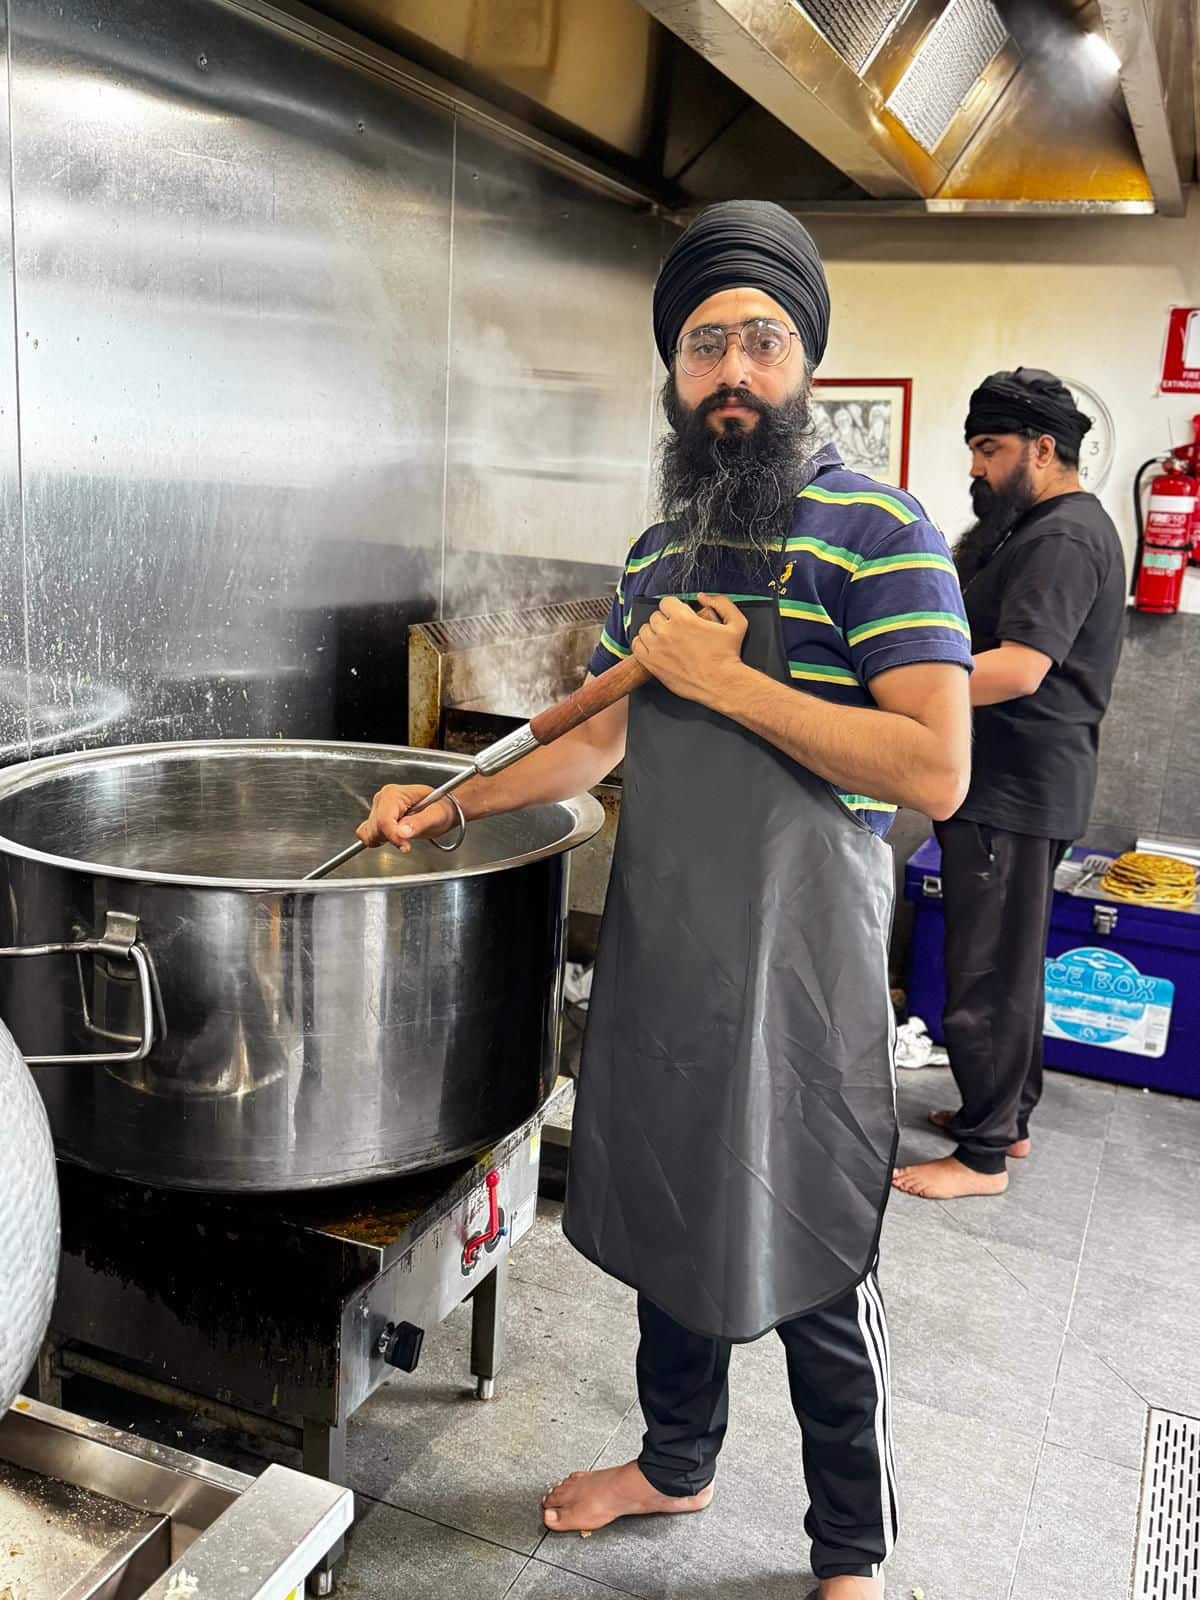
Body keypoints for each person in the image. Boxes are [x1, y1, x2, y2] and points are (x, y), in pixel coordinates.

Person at [358, 201, 972, 1599]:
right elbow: (592, 741)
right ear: (676, 373)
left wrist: (731, 683)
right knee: (673, 1217)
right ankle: (676, 1460)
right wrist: (446, 800)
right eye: (705, 345)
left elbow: (936, 765)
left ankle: (852, 1549)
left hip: (804, 973)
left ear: (806, 359)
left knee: (817, 1248)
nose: (732, 370)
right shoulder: (660, 553)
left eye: (761, 338)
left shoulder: (882, 532)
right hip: (674, 951)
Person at [893, 368, 1126, 1203]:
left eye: (990, 449)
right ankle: (1005, 1118)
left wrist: (901, 690)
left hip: (1014, 787)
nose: (976, 467)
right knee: (1010, 964)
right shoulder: (1037, 528)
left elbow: (1022, 668)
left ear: (1043, 448)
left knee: (987, 969)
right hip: (1016, 784)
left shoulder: (1063, 538)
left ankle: (983, 1158)